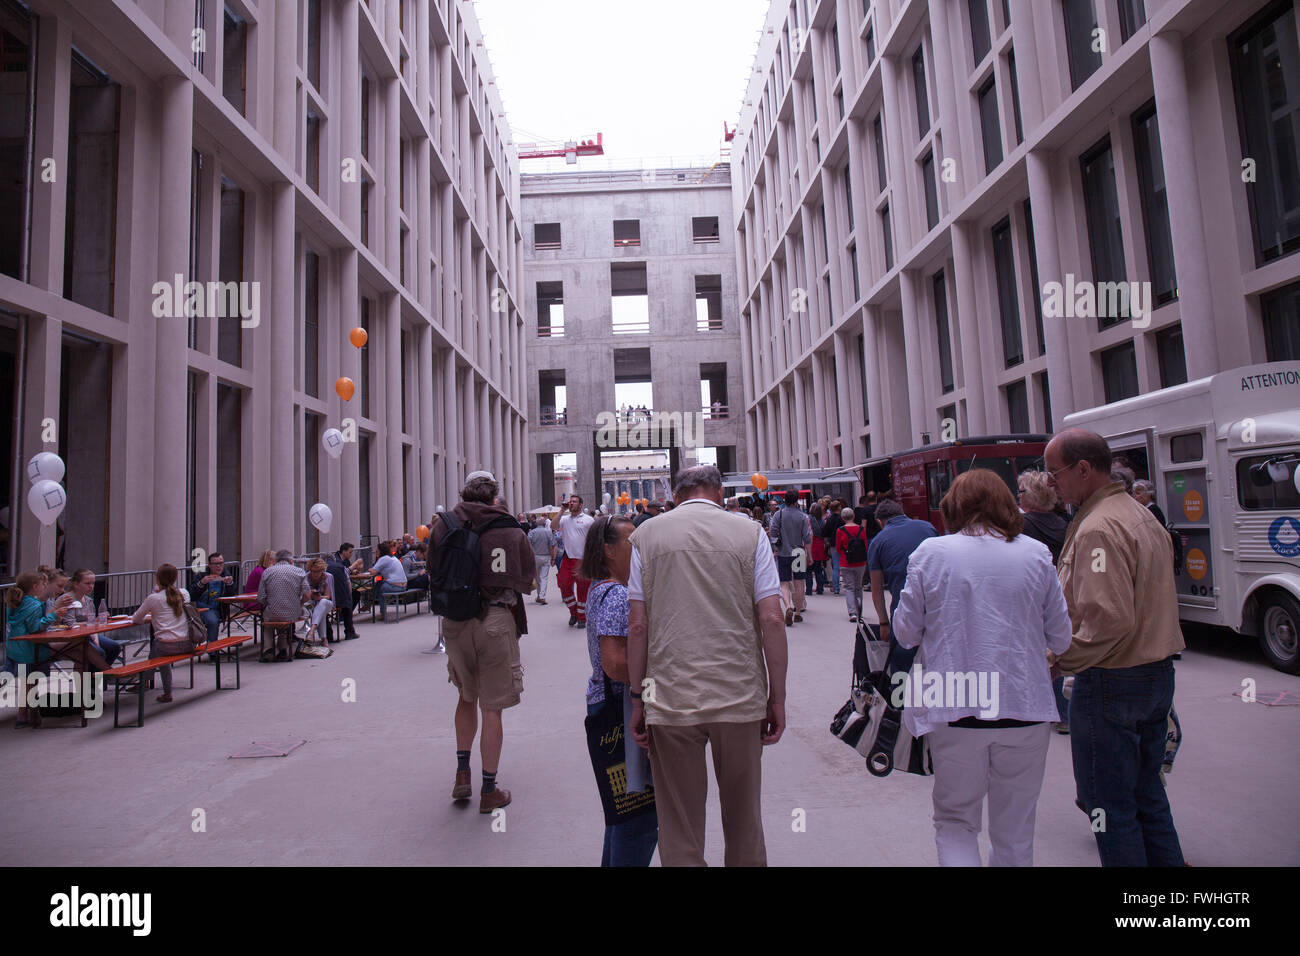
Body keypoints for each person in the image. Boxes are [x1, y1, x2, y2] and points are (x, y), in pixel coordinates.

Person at [892, 469, 1073, 866]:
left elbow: (906, 633)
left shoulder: (931, 553)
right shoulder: (1035, 554)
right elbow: (1061, 637)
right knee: (1015, 833)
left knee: (956, 822)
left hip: (955, 705)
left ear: (953, 507)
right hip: (1024, 705)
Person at [626, 465, 788, 866]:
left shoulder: (646, 536)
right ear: (718, 492)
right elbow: (772, 617)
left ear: (676, 495)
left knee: (678, 825)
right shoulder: (750, 533)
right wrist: (776, 698)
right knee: (745, 820)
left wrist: (638, 699)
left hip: (669, 697)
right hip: (740, 693)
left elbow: (638, 625)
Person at [1044, 428, 1185, 867]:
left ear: (1084, 469)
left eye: (1055, 473)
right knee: (1147, 797)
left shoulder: (1098, 528)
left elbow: (1108, 620)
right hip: (1154, 675)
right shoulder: (1139, 515)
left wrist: (1056, 662)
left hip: (1112, 682)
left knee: (1110, 809)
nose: (1052, 484)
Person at [429, 472, 535, 813]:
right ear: (494, 497)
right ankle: (489, 790)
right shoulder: (510, 528)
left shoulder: (443, 525)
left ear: (464, 494)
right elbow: (527, 579)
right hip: (495, 619)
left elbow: (432, 569)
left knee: (465, 696)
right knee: (492, 707)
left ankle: (462, 772)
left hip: (455, 621)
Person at [580, 514, 658, 866]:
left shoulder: (601, 588)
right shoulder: (617, 595)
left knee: (624, 812)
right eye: (631, 540)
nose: (638, 547)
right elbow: (615, 663)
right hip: (621, 708)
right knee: (638, 816)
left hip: (606, 705)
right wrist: (659, 680)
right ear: (609, 550)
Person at [1017, 470, 1071, 733]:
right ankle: (1064, 713)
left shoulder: (1023, 526)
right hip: (1064, 590)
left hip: (1038, 595)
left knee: (1045, 651)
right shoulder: (1064, 522)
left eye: (1022, 491)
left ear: (1033, 496)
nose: (1018, 495)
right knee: (1058, 648)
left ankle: (1058, 710)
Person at [868, 500, 938, 674]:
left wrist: (883, 622)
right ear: (903, 513)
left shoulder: (878, 541)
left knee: (901, 666)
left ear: (880, 521)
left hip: (903, 608)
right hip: (936, 606)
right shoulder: (928, 527)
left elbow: (876, 590)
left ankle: (899, 699)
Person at [5, 572, 74, 727]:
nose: (44, 587)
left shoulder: (16, 602)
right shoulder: (35, 605)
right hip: (30, 648)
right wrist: (54, 615)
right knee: (30, 679)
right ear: (35, 587)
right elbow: (35, 627)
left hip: (14, 646)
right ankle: (26, 712)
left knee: (20, 678)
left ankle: (27, 712)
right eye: (43, 584)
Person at [131, 564, 193, 704]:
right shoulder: (184, 593)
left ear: (157, 579)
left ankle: (143, 681)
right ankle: (159, 688)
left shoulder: (154, 598)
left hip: (166, 646)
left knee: (158, 648)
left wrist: (152, 617)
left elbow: (136, 618)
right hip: (187, 643)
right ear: (176, 578)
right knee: (159, 652)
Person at [64, 569, 121, 669]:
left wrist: (95, 637)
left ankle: (98, 675)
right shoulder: (68, 599)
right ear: (76, 584)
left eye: (93, 583)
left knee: (114, 647)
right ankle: (103, 675)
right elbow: (70, 624)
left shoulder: (89, 600)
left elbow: (92, 621)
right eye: (87, 583)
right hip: (74, 637)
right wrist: (93, 623)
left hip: (88, 633)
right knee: (99, 652)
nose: (91, 586)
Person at [257, 550, 308, 661]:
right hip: (293, 612)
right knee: (284, 621)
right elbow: (307, 594)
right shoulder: (299, 571)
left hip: (273, 612)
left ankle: (268, 649)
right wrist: (300, 603)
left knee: (268, 621)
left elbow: (260, 597)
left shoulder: (267, 572)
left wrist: (270, 603)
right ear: (290, 560)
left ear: (276, 560)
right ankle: (283, 649)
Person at [552, 495, 594, 627]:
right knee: (563, 585)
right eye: (570, 502)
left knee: (583, 589)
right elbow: (553, 526)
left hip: (583, 560)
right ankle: (573, 611)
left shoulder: (589, 520)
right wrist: (561, 510)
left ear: (580, 505)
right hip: (568, 558)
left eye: (574, 502)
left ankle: (582, 617)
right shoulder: (564, 519)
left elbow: (593, 539)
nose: (571, 503)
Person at [772, 490, 811, 625]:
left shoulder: (779, 514)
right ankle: (798, 612)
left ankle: (788, 606)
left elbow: (773, 532)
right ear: (796, 501)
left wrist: (776, 548)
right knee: (799, 583)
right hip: (799, 552)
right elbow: (807, 537)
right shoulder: (802, 517)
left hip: (784, 552)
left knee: (784, 583)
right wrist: (809, 555)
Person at [189, 552, 234, 649]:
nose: (219, 566)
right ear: (209, 565)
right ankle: (213, 651)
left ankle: (214, 648)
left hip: (221, 608)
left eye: (221, 563)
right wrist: (201, 583)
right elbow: (191, 595)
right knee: (212, 621)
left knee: (215, 619)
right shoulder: (202, 575)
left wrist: (230, 584)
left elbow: (232, 596)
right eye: (215, 564)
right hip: (204, 608)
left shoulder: (226, 574)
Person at [835, 507, 869, 623]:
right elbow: (865, 545)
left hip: (846, 561)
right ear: (853, 516)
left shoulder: (840, 530)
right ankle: (860, 609)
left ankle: (852, 612)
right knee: (858, 586)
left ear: (843, 518)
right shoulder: (861, 529)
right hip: (860, 562)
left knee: (849, 587)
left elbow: (838, 548)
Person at [326, 543, 360, 641]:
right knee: (349, 599)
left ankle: (329, 635)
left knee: (355, 594)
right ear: (343, 551)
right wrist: (355, 565)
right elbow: (347, 580)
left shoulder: (343, 561)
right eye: (350, 552)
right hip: (338, 596)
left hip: (327, 596)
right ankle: (349, 631)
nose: (351, 554)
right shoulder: (338, 563)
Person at [367, 540, 408, 618]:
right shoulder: (393, 558)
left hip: (396, 586)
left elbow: (373, 572)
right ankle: (369, 603)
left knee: (381, 589)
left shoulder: (384, 558)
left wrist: (368, 569)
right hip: (404, 585)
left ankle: (381, 612)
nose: (376, 552)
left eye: (377, 550)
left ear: (381, 551)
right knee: (379, 584)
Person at [302, 558, 335, 644]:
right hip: (311, 603)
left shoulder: (328, 576)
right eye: (313, 571)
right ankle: (324, 639)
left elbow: (328, 596)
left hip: (326, 602)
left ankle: (311, 631)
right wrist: (311, 593)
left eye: (318, 571)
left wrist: (319, 597)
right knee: (321, 611)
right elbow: (304, 595)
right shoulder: (306, 577)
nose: (315, 574)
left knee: (322, 603)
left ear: (322, 570)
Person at [527, 517, 556, 605]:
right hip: (546, 556)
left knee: (537, 577)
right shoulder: (548, 532)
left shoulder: (532, 532)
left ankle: (539, 596)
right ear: (544, 524)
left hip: (535, 557)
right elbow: (552, 546)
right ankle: (542, 596)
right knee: (544, 577)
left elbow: (528, 545)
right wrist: (553, 558)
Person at [823, 499, 844, 595]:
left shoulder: (829, 519)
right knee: (843, 565)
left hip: (833, 544)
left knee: (835, 566)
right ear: (838, 508)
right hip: (842, 543)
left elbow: (825, 532)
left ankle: (836, 588)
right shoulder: (841, 519)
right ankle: (846, 585)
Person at [808, 503, 829, 595]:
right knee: (818, 568)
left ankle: (809, 589)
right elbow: (825, 536)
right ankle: (820, 588)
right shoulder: (822, 521)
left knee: (808, 569)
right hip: (820, 544)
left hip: (811, 544)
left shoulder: (808, 519)